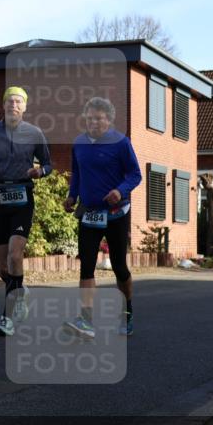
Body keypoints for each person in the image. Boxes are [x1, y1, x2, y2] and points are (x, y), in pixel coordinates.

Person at [0, 86, 52, 337]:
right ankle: (19, 290)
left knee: (16, 255)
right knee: (4, 267)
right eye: (9, 101)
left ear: (25, 107)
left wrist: (40, 171)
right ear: (3, 106)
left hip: (23, 195)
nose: (13, 105)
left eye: (18, 102)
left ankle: (7, 317)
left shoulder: (35, 133)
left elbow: (48, 164)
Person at [62, 97, 142, 338]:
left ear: (109, 120)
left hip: (116, 213)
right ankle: (86, 320)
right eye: (90, 118)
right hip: (89, 213)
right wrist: (72, 196)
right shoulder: (79, 143)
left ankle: (126, 312)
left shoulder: (121, 143)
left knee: (119, 266)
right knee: (86, 266)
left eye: (99, 118)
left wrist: (120, 191)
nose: (94, 122)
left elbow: (135, 174)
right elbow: (77, 174)